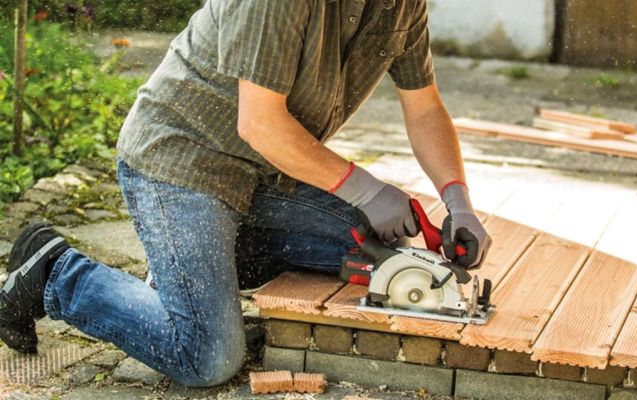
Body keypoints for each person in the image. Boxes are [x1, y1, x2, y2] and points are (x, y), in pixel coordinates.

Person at [0, 0, 491, 387]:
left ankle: (197, 265)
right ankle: (54, 272)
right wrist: (367, 189)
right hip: (183, 160)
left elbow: (424, 107)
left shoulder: (402, 4)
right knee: (208, 356)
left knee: (376, 250)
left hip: (265, 174)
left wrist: (457, 200)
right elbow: (260, 122)